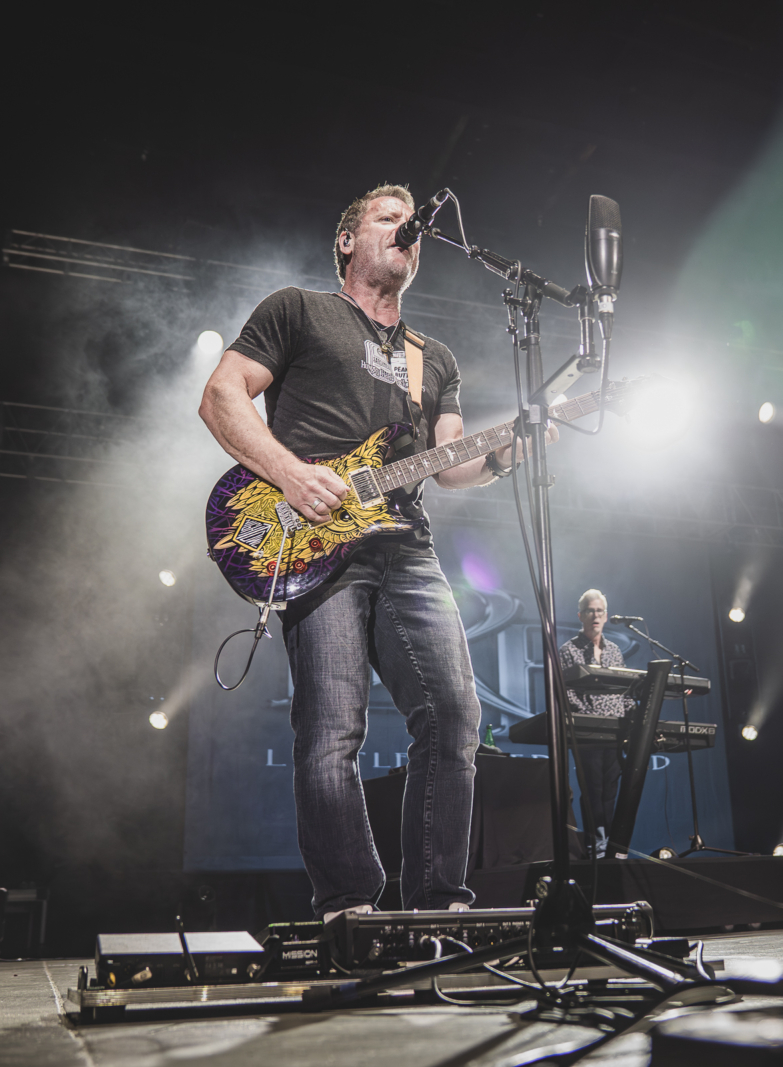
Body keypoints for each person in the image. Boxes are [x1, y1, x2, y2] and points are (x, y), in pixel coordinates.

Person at [198, 184, 552, 917]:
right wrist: (292, 474)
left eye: (411, 223)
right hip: (316, 541)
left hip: (408, 549)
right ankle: (351, 904)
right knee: (332, 729)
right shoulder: (297, 309)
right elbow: (221, 394)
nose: (407, 228)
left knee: (455, 718)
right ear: (348, 242)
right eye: (388, 217)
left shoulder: (434, 357)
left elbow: (450, 466)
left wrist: (510, 451)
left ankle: (438, 903)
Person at [557, 589, 632, 858]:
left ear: (606, 615)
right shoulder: (569, 650)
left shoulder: (613, 650)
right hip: (588, 731)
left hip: (615, 731)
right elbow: (566, 693)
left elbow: (624, 689)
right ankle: (594, 846)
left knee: (610, 790)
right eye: (590, 610)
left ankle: (609, 844)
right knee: (593, 789)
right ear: (581, 615)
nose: (596, 615)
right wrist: (589, 716)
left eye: (600, 611)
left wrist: (632, 714)